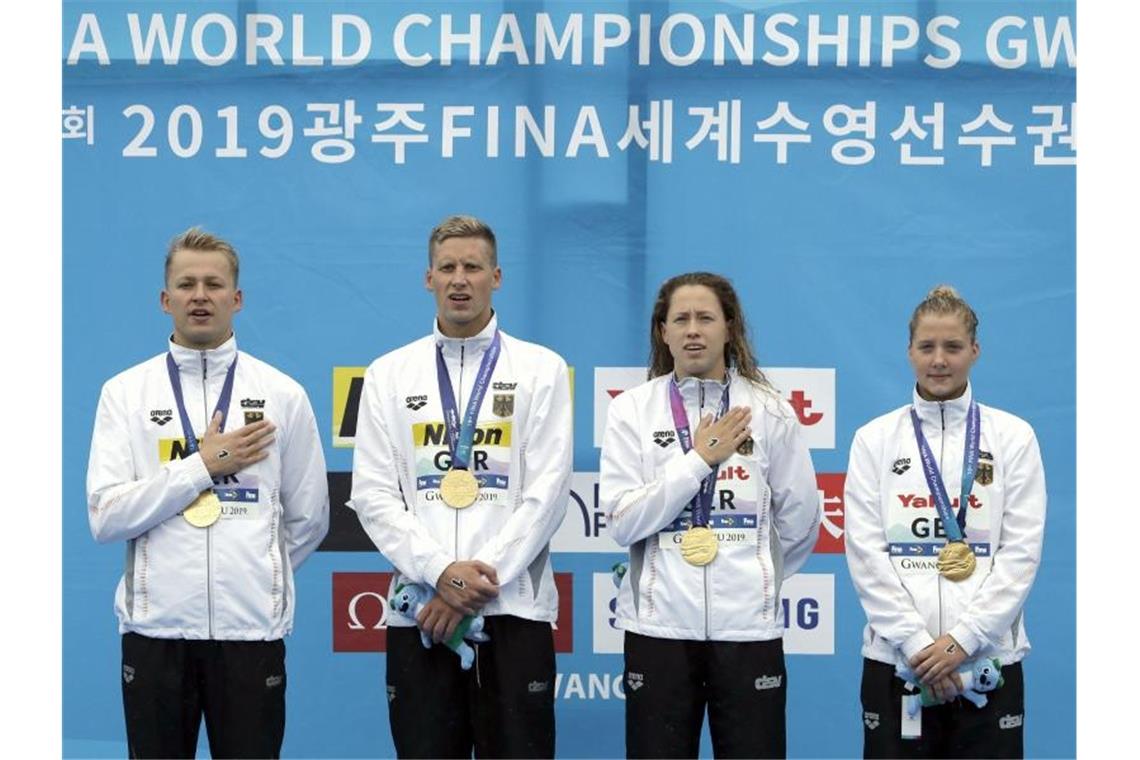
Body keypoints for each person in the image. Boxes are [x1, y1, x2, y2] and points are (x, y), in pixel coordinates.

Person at [86, 227, 330, 759]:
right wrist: (201, 466)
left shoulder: (282, 394)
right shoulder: (125, 394)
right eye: (187, 284)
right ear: (165, 299)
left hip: (250, 636)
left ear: (236, 298)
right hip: (155, 635)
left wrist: (254, 573)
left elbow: (308, 518)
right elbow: (106, 515)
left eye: (214, 284)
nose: (200, 295)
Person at [348, 214, 573, 758]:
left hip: (514, 610)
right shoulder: (388, 373)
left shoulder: (542, 369)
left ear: (497, 276)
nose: (459, 279)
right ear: (428, 278)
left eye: (473, 266)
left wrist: (470, 586)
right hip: (421, 613)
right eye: (447, 267)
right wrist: (440, 575)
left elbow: (547, 495)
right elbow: (373, 495)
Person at [600, 271, 821, 759]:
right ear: (663, 332)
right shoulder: (632, 411)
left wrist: (758, 581)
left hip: (748, 632)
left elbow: (802, 520)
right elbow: (621, 521)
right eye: (680, 319)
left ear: (729, 327)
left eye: (705, 318)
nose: (693, 330)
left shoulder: (769, 409)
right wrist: (699, 459)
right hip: (658, 631)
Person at [844, 285, 1046, 758]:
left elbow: (1020, 554)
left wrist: (961, 642)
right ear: (909, 351)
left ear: (974, 351)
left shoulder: (1013, 437)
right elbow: (866, 555)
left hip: (987, 662)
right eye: (927, 347)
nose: (939, 360)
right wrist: (919, 645)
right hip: (897, 662)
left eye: (952, 347)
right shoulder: (874, 439)